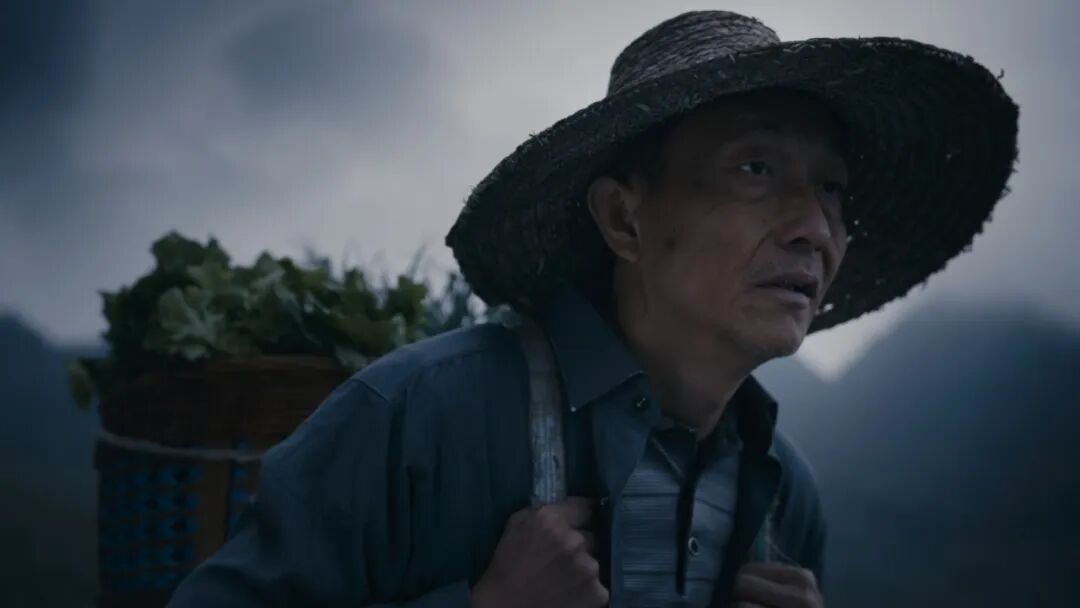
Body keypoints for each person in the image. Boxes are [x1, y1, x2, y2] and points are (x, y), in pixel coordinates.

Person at [168, 10, 1017, 608]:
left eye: (831, 188)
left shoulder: (786, 497)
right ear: (624, 219)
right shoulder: (419, 416)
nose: (815, 228)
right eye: (756, 169)